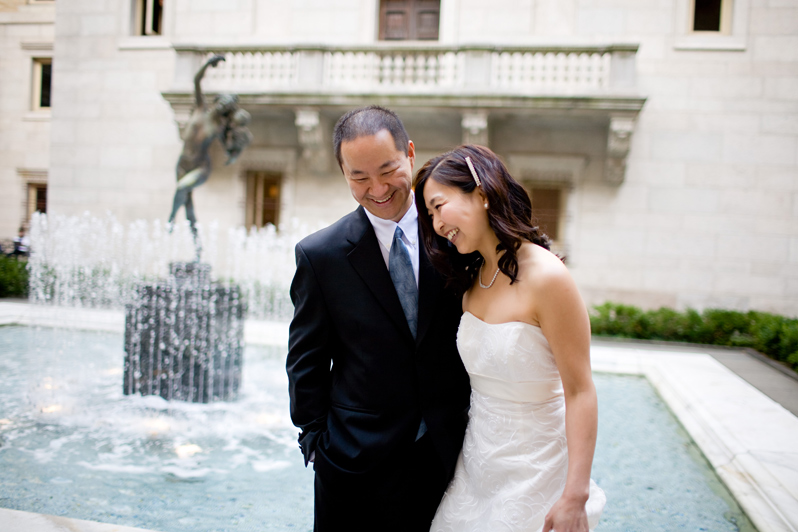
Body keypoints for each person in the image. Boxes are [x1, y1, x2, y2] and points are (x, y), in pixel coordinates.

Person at [286, 106, 471, 532]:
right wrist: (315, 441)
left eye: (387, 170)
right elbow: (305, 361)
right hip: (352, 461)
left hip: (450, 453)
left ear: (409, 153)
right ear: (343, 173)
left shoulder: (455, 236)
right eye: (359, 177)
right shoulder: (320, 256)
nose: (378, 188)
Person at [414, 145, 606, 532]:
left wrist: (575, 494)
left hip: (536, 470)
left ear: (482, 194)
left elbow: (581, 390)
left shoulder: (547, 278)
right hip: (475, 469)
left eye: (439, 205)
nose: (435, 224)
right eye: (430, 214)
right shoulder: (469, 281)